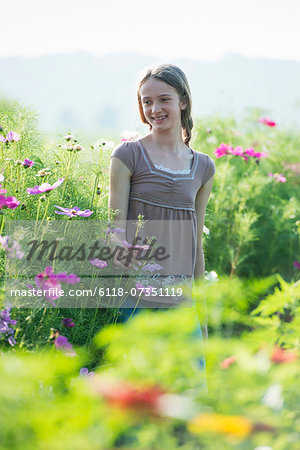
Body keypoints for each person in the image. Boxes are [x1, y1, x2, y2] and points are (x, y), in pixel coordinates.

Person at [108, 63, 215, 350]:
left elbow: (196, 248)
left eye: (164, 99)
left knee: (187, 390)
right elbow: (114, 229)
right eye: (147, 101)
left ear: (183, 102)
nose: (155, 108)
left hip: (182, 306)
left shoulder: (203, 167)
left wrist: (201, 317)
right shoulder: (127, 155)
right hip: (136, 301)